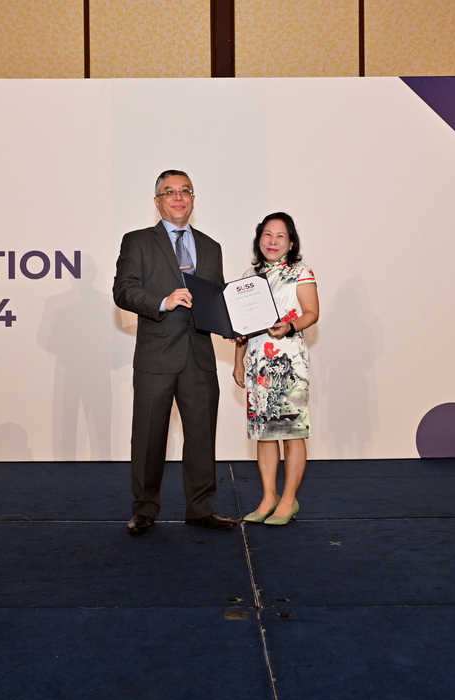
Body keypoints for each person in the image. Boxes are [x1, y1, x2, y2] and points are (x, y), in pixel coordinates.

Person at [113, 170, 236, 535]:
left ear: (193, 200)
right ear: (157, 201)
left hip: (199, 356)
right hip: (156, 356)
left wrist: (233, 323)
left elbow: (217, 299)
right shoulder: (137, 241)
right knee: (149, 437)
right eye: (170, 191)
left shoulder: (211, 246)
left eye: (185, 191)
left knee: (201, 436)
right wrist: (162, 302)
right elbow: (124, 290)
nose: (178, 197)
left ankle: (200, 509)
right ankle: (145, 510)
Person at [233, 212, 319, 525]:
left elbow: (312, 312)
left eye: (280, 236)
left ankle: (288, 499)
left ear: (291, 242)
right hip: (258, 363)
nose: (272, 241)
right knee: (265, 434)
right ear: (259, 239)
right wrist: (238, 358)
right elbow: (242, 324)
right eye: (267, 235)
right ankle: (268, 496)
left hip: (289, 362)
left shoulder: (301, 271)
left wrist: (290, 326)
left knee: (292, 433)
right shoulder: (249, 275)